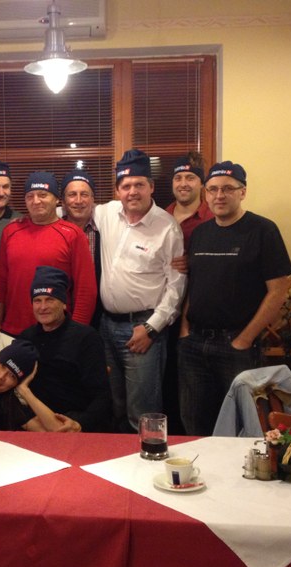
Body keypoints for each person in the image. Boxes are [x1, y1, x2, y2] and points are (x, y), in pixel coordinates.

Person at [178, 160, 291, 436]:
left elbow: (278, 290)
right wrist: (184, 329)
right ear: (206, 194)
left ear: (243, 192)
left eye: (228, 188)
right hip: (194, 345)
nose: (219, 195)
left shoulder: (263, 230)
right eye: (213, 189)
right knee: (194, 423)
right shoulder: (201, 233)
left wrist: (244, 339)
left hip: (237, 346)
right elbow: (194, 285)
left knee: (243, 426)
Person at [95, 149, 187, 432]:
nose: (132, 191)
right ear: (117, 191)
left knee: (143, 413)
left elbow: (176, 286)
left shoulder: (167, 228)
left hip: (142, 329)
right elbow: (70, 210)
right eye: (126, 186)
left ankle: (147, 459)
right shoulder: (106, 213)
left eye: (139, 184)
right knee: (114, 406)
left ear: (151, 186)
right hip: (107, 327)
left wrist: (151, 328)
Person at [0, 171, 97, 336]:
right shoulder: (11, 231)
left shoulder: (73, 234)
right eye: (30, 196)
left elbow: (85, 290)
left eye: (43, 195)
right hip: (12, 328)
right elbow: (1, 281)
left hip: (57, 331)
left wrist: (75, 333)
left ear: (56, 199)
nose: (36, 201)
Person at [19, 266, 112, 432]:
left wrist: (80, 423)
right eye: (37, 300)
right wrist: (30, 421)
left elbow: (102, 396)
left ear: (63, 303)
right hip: (37, 423)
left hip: (77, 424)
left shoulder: (86, 337)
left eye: (50, 299)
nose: (42, 307)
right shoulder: (26, 338)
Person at [163, 153, 213, 432]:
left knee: (194, 389)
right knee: (166, 383)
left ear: (201, 183)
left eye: (190, 178)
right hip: (160, 313)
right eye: (178, 177)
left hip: (195, 315)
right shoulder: (160, 216)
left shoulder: (211, 218)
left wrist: (192, 262)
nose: (183, 183)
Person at [61, 168, 102, 328]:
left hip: (100, 316)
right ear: (63, 201)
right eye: (72, 195)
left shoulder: (105, 229)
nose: (78, 201)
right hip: (60, 313)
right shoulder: (54, 230)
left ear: (93, 199)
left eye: (84, 194)